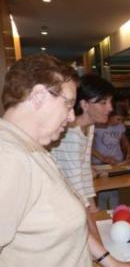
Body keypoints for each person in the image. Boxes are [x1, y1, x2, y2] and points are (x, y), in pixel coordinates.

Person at [0, 54, 130, 267]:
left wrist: (109, 262)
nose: (71, 117)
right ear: (39, 95)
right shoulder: (8, 157)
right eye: (68, 104)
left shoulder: (34, 150)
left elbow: (69, 225)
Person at [50, 73, 114, 212]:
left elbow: (84, 171)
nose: (110, 108)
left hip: (72, 201)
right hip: (60, 205)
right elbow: (74, 186)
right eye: (103, 102)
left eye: (110, 102)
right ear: (84, 104)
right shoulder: (71, 134)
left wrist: (93, 208)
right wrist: (90, 218)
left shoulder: (88, 126)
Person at [92, 103, 130, 209]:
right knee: (102, 190)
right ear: (110, 115)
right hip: (99, 163)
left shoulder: (120, 126)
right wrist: (103, 158)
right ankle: (103, 215)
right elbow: (89, 147)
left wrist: (129, 152)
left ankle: (115, 214)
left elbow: (124, 139)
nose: (120, 122)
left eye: (122, 120)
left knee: (114, 190)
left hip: (116, 162)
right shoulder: (98, 126)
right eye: (118, 119)